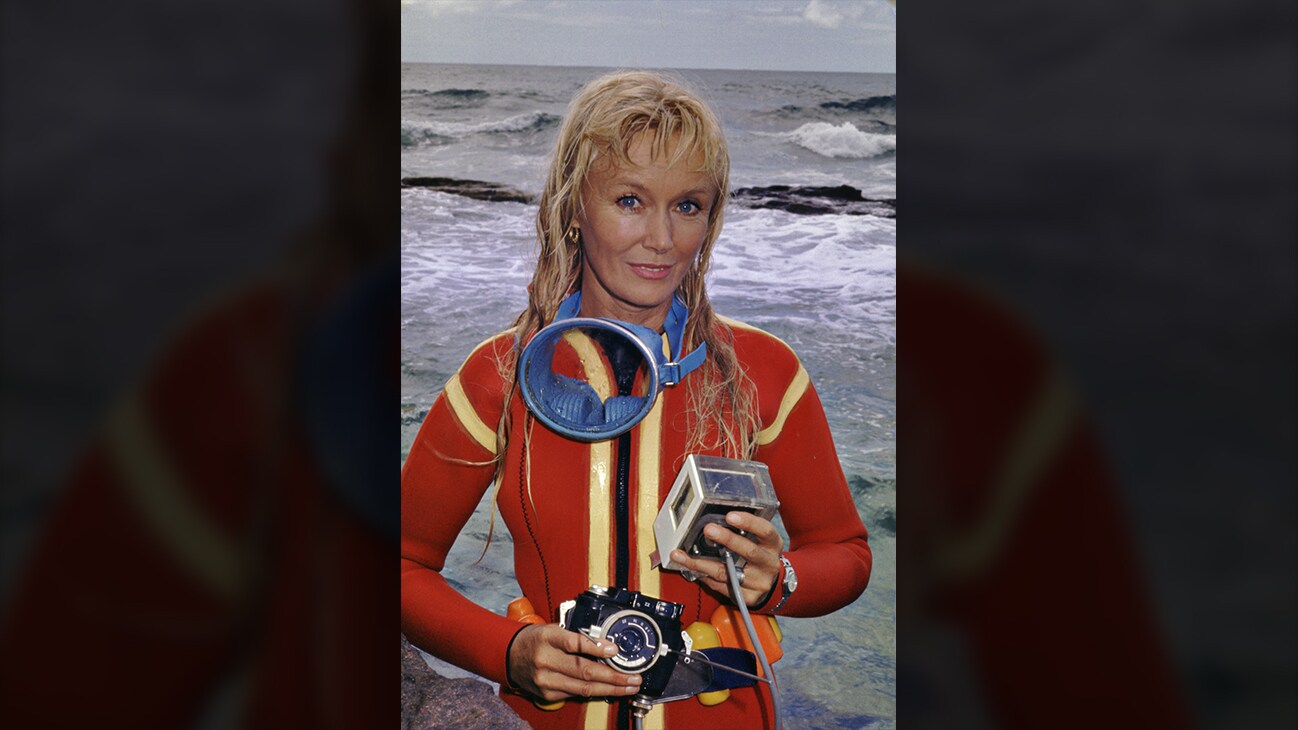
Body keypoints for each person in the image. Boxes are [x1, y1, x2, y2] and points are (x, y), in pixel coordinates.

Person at [401, 70, 872, 730]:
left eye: (688, 205)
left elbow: (847, 551)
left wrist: (780, 579)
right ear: (574, 208)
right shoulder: (497, 377)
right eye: (629, 200)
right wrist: (506, 651)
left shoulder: (764, 373)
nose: (663, 238)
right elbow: (399, 563)